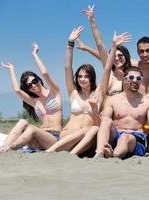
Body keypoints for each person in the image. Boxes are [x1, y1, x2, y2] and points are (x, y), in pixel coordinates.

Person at [46, 26, 131, 155]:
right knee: (89, 129)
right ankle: (51, 151)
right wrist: (70, 44)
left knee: (92, 129)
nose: (82, 79)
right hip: (68, 135)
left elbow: (107, 69)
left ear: (92, 78)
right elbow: (67, 67)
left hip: (87, 140)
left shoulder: (99, 93)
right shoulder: (73, 92)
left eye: (86, 76)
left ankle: (69, 155)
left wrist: (114, 47)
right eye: (80, 76)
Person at [0, 43, 63, 153]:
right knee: (22, 121)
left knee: (32, 128)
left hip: (53, 138)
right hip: (38, 137)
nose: (33, 85)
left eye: (34, 81)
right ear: (28, 89)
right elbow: (17, 90)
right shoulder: (34, 101)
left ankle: (8, 149)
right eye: (29, 86)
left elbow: (44, 72)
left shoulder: (54, 92)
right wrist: (11, 69)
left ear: (39, 80)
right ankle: (3, 146)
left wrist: (34, 54)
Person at [94, 66, 149, 159]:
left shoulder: (147, 102)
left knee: (125, 137)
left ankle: (112, 154)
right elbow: (103, 124)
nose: (135, 81)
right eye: (131, 77)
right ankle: (100, 153)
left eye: (138, 78)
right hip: (116, 136)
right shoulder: (112, 100)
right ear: (124, 80)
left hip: (136, 139)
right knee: (105, 120)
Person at [77, 4, 132, 96]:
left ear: (126, 57)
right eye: (114, 56)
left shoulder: (132, 73)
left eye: (120, 56)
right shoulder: (109, 71)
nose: (117, 58)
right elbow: (100, 44)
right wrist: (92, 20)